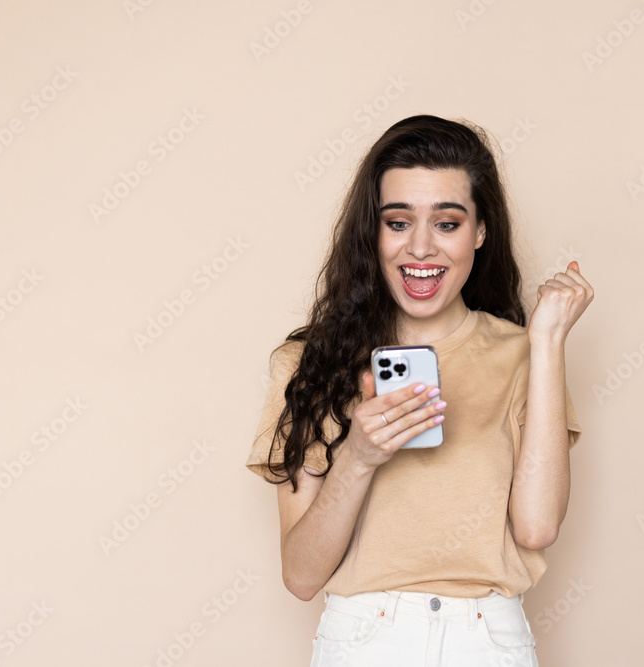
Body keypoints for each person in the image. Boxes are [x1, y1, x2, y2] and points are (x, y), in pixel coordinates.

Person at [246, 114, 593, 667]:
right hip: (363, 641)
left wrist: (547, 342)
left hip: (488, 641)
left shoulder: (525, 356)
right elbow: (302, 575)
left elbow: (537, 527)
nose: (422, 247)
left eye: (448, 223)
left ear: (481, 232)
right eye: (399, 222)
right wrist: (358, 457)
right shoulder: (308, 365)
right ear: (373, 232)